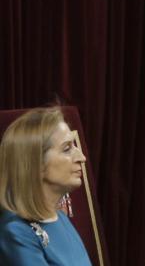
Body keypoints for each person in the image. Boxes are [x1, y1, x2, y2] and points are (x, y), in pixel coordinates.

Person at [0, 107, 91, 265]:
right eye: (67, 148)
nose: (81, 157)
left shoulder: (60, 218)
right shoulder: (16, 232)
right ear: (35, 164)